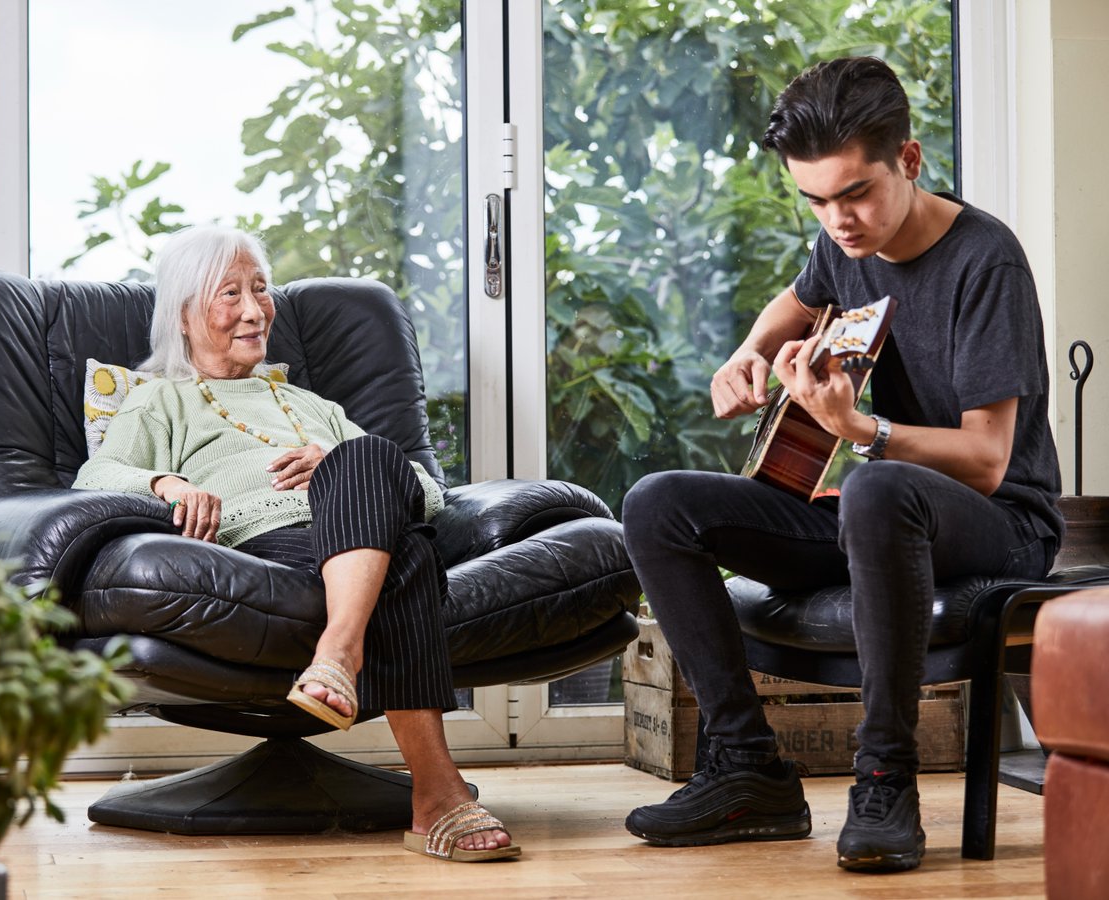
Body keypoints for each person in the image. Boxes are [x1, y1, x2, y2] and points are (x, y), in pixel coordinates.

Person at [621, 56, 1061, 873]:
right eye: (815, 200)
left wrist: (863, 430)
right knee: (658, 502)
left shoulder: (985, 262)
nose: (838, 220)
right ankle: (748, 769)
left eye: (854, 193)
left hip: (998, 524)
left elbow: (990, 460)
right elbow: (792, 301)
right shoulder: (845, 243)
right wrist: (746, 356)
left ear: (910, 159)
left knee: (882, 484)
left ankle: (886, 776)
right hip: (879, 516)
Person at [74, 224, 519, 863]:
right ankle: (437, 796)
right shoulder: (159, 403)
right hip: (266, 543)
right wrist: (167, 482)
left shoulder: (313, 405)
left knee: (368, 458)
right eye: (230, 294)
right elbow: (95, 476)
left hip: (351, 533)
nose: (255, 310)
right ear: (185, 316)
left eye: (260, 290)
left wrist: (338, 464)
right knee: (408, 557)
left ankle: (338, 652)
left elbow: (425, 489)